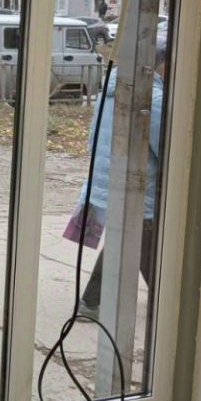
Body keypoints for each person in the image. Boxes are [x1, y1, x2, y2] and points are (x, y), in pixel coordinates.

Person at [64, 37, 167, 317]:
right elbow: (165, 147)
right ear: (159, 65)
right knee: (137, 242)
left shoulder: (111, 90)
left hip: (108, 176)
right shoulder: (154, 98)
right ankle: (92, 303)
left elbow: (92, 136)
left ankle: (160, 298)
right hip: (139, 184)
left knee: (132, 241)